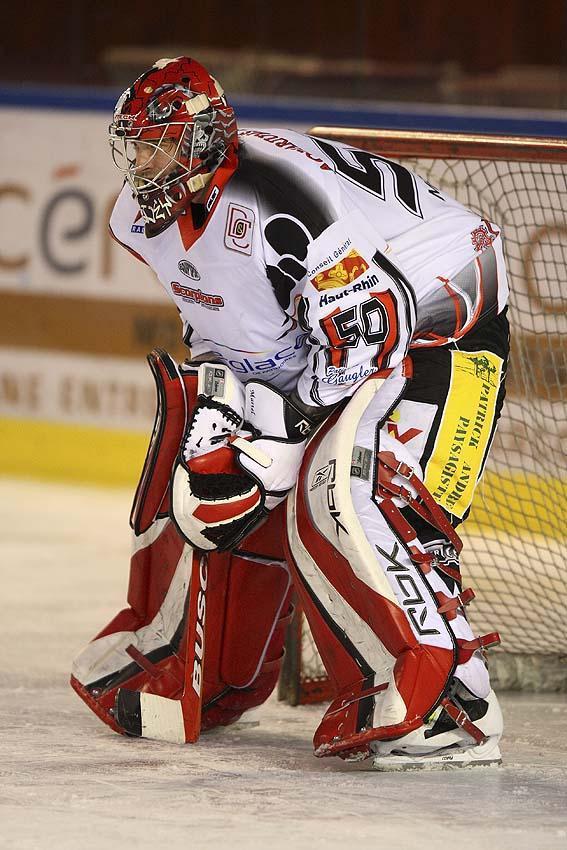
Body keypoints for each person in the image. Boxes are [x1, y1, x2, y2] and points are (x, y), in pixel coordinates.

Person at [71, 56, 509, 769]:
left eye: (162, 144)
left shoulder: (277, 198)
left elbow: (364, 329)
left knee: (351, 490)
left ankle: (452, 706)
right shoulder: (139, 219)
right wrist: (236, 423)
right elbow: (238, 328)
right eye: (137, 144)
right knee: (216, 484)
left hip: (439, 316)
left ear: (206, 141)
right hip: (342, 326)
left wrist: (282, 433)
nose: (145, 163)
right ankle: (210, 678)